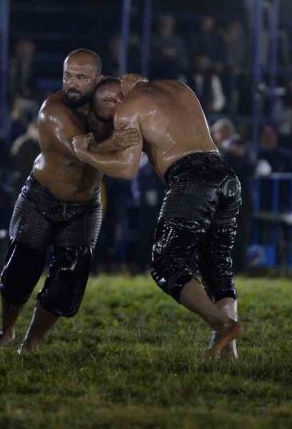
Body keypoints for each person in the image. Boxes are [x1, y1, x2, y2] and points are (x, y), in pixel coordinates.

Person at [71, 74, 243, 359]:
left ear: (114, 97)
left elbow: (126, 169)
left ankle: (222, 324)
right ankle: (229, 355)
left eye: (106, 112)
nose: (111, 118)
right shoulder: (178, 87)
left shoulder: (127, 108)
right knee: (217, 268)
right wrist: (103, 144)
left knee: (166, 263)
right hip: (225, 176)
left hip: (190, 179)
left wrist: (84, 154)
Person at [0, 50, 129, 353]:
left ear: (98, 79)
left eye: (81, 77)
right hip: (41, 196)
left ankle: (32, 342)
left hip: (85, 204)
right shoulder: (53, 110)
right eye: (67, 76)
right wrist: (122, 138)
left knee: (68, 280)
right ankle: (6, 330)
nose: (72, 83)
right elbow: (82, 152)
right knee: (19, 272)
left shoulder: (108, 101)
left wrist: (136, 94)